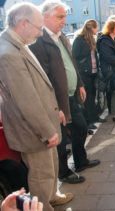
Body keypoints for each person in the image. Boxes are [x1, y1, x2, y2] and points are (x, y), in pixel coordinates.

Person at [0, 3, 73, 210]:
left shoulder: (18, 44)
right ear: (23, 24)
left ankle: (51, 197)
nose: (41, 33)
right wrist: (47, 130)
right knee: (41, 175)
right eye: (39, 27)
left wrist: (55, 110)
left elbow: (39, 86)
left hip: (41, 124)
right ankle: (43, 206)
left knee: (50, 168)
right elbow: (26, 99)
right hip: (33, 131)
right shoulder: (8, 53)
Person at [30, 0, 100, 185]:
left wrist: (80, 84)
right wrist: (56, 106)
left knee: (81, 127)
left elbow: (71, 63)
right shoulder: (38, 40)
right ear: (44, 17)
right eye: (60, 17)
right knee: (60, 139)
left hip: (70, 95)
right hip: (55, 101)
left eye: (65, 16)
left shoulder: (60, 36)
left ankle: (80, 161)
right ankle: (64, 172)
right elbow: (43, 77)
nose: (64, 21)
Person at [72, 19, 104, 132]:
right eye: (96, 27)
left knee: (92, 96)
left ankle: (94, 117)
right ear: (92, 28)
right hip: (84, 74)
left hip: (93, 73)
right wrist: (83, 68)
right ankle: (88, 121)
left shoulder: (91, 39)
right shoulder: (79, 40)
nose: (98, 29)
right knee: (86, 99)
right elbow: (74, 58)